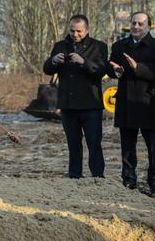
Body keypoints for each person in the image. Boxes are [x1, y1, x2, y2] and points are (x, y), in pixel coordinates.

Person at [43, 15, 107, 179]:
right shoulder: (60, 46)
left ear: (87, 30)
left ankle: (98, 176)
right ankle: (74, 176)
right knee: (73, 144)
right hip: (68, 105)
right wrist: (54, 61)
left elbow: (101, 70)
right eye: (72, 30)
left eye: (79, 31)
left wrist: (83, 62)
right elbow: (47, 69)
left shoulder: (99, 46)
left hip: (91, 105)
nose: (75, 34)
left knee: (94, 144)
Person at [108, 12, 155, 197]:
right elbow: (110, 68)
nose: (136, 27)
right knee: (127, 149)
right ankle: (128, 182)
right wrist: (115, 70)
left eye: (140, 24)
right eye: (134, 23)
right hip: (127, 103)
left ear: (149, 26)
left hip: (150, 104)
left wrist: (138, 68)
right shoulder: (119, 46)